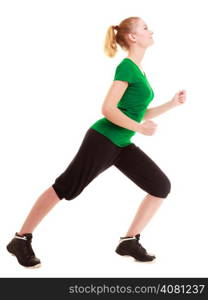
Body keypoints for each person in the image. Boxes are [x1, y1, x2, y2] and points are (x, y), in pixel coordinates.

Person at [6, 16, 186, 268]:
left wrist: (171, 104)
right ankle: (20, 239)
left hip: (121, 143)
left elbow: (136, 113)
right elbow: (108, 109)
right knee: (66, 187)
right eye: (145, 27)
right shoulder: (126, 67)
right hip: (103, 139)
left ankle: (129, 241)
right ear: (133, 37)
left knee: (160, 186)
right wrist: (139, 128)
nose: (151, 30)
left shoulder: (139, 71)